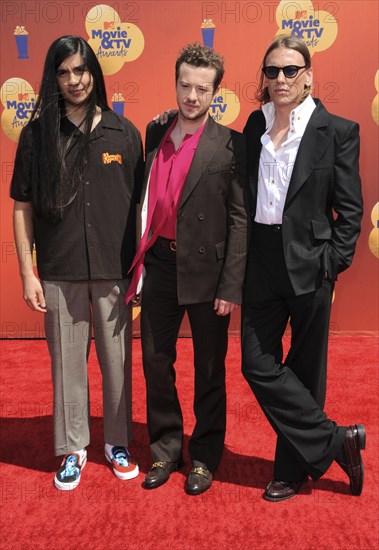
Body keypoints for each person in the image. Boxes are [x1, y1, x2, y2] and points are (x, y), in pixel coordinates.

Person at [11, 36, 143, 490]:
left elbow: (142, 205)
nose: (74, 80)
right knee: (67, 364)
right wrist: (27, 272)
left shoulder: (125, 133)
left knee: (117, 362)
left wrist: (141, 269)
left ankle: (117, 443)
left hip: (114, 269)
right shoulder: (37, 135)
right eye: (64, 72)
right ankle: (73, 448)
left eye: (81, 70)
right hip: (59, 269)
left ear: (95, 73)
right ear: (54, 78)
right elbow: (21, 207)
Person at [241, 35, 365, 501]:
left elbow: (350, 210)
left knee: (306, 368)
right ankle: (337, 440)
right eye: (271, 71)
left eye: (290, 70)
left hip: (312, 263)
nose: (279, 79)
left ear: (309, 75)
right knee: (256, 364)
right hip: (261, 261)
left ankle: (290, 472)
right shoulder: (255, 124)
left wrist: (332, 263)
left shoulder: (337, 131)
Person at [125, 43, 247, 495]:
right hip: (160, 265)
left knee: (210, 370)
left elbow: (239, 217)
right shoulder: (155, 131)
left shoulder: (230, 143)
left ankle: (206, 457)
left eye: (202, 88)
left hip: (208, 273)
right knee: (156, 364)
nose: (191, 96)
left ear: (216, 92)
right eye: (185, 85)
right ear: (175, 83)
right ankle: (165, 450)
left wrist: (231, 283)